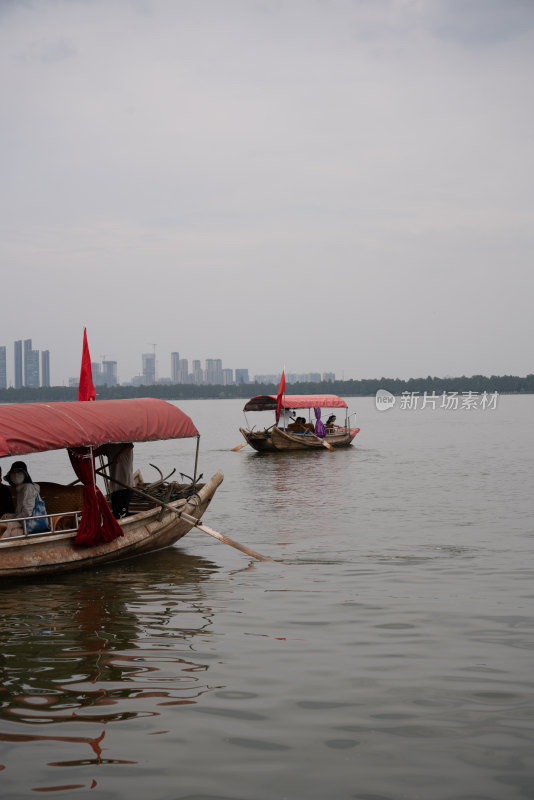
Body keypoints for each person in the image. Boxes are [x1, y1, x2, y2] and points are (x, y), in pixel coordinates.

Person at [1, 461, 48, 538]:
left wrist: (12, 520)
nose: (16, 475)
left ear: (25, 475)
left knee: (6, 525)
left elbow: (27, 513)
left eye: (19, 472)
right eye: (13, 473)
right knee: (7, 526)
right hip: (25, 524)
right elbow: (21, 513)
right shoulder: (20, 490)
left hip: (33, 524)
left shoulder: (28, 488)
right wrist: (10, 516)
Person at [95, 443, 134, 519]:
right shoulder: (107, 445)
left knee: (121, 516)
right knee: (116, 514)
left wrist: (119, 455)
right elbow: (93, 454)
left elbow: (130, 445)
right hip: (114, 488)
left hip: (125, 486)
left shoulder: (125, 442)